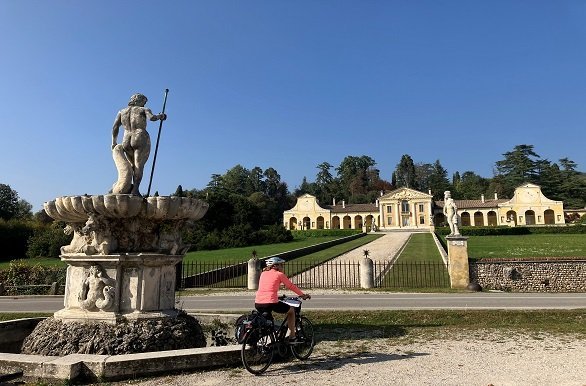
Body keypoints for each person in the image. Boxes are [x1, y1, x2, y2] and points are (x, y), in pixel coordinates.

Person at [111, 93, 166, 196]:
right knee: (138, 165)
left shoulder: (122, 112)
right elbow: (152, 118)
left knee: (132, 165)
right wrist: (161, 116)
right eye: (144, 102)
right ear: (139, 100)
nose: (144, 104)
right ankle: (135, 190)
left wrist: (114, 142)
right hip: (139, 136)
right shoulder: (143, 110)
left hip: (126, 139)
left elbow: (115, 127)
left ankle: (128, 186)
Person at [255, 256, 311, 343]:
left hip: (258, 303)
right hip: (271, 302)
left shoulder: (263, 274)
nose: (282, 267)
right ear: (275, 266)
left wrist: (276, 296)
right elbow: (291, 286)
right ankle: (292, 336)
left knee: (269, 323)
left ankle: (273, 340)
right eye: (281, 265)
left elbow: (267, 288)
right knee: (291, 311)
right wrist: (302, 295)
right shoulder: (279, 274)